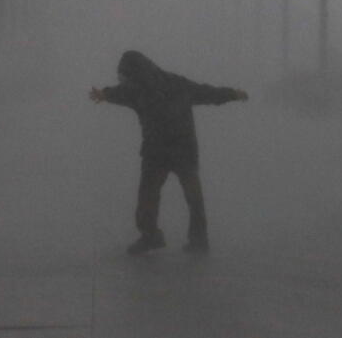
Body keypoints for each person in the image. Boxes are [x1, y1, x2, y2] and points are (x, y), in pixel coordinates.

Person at [90, 50, 248, 255]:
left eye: (124, 76)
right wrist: (104, 94)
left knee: (167, 195)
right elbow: (206, 93)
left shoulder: (151, 88)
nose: (123, 81)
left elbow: (207, 93)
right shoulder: (152, 87)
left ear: (135, 74)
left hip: (170, 151)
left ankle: (169, 238)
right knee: (172, 196)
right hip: (169, 151)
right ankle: (172, 238)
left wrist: (232, 94)